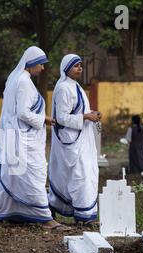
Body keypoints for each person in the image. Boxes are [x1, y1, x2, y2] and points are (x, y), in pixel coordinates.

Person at [0, 46, 68, 230]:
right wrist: (46, 119)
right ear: (31, 62)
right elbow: (23, 113)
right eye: (40, 64)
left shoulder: (14, 78)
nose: (42, 68)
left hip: (16, 136)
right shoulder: (23, 81)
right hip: (23, 139)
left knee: (10, 176)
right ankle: (45, 217)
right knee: (32, 177)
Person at [48, 54, 101, 224]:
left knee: (82, 174)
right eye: (76, 66)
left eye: (80, 65)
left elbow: (78, 110)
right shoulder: (64, 88)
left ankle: (81, 213)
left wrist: (91, 114)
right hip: (70, 141)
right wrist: (86, 117)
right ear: (66, 68)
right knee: (79, 175)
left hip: (81, 139)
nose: (80, 68)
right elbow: (61, 118)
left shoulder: (75, 86)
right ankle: (81, 214)